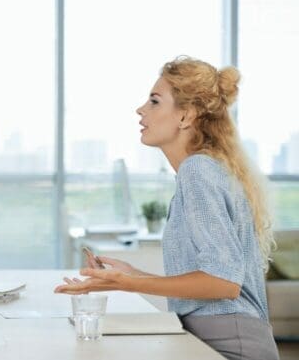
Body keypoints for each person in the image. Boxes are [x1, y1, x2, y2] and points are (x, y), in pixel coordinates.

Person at [55, 56, 279, 360]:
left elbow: (223, 282)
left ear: (186, 116)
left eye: (154, 101)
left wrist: (129, 283)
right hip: (216, 337)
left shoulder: (198, 170)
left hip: (232, 345)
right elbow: (214, 279)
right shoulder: (202, 171)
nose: (140, 110)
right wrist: (131, 275)